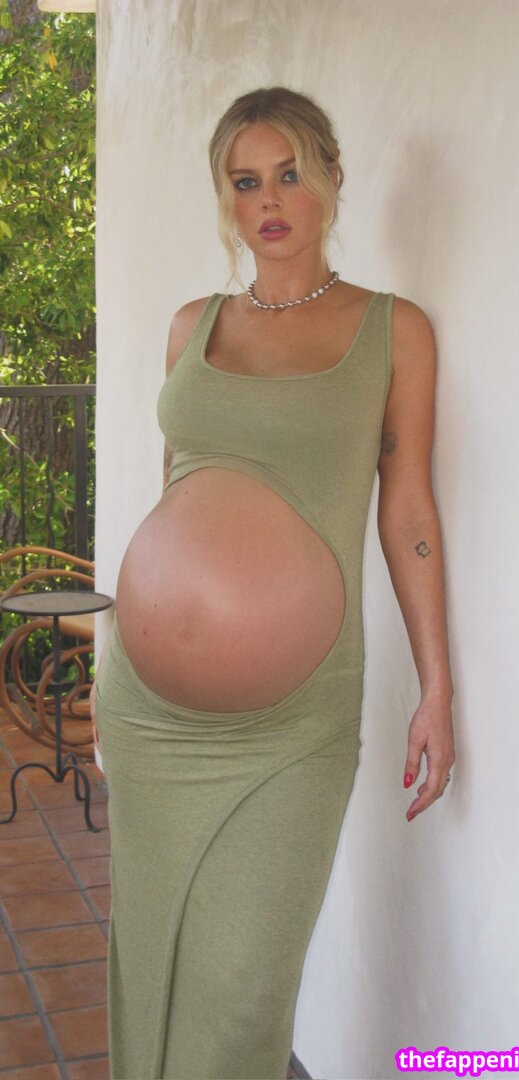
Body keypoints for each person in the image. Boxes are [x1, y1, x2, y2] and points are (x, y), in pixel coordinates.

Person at [91, 85, 455, 1080]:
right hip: (149, 709)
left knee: (245, 989)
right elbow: (178, 492)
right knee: (150, 964)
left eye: (288, 173)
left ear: (330, 176)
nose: (269, 201)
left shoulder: (392, 331)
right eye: (245, 181)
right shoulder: (191, 327)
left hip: (291, 726)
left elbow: (408, 514)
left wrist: (435, 686)